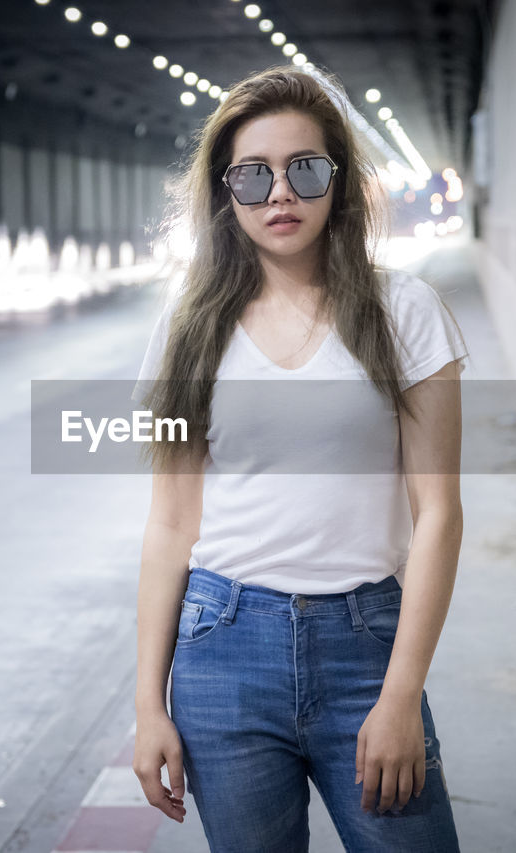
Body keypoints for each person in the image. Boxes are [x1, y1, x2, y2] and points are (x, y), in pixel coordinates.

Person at [128, 65, 468, 852]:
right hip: (223, 648)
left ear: (338, 183)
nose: (279, 193)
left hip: (366, 642)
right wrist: (149, 704)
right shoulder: (188, 331)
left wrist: (400, 695)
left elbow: (440, 514)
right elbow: (170, 524)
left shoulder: (405, 312)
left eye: (304, 169)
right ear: (225, 192)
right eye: (253, 175)